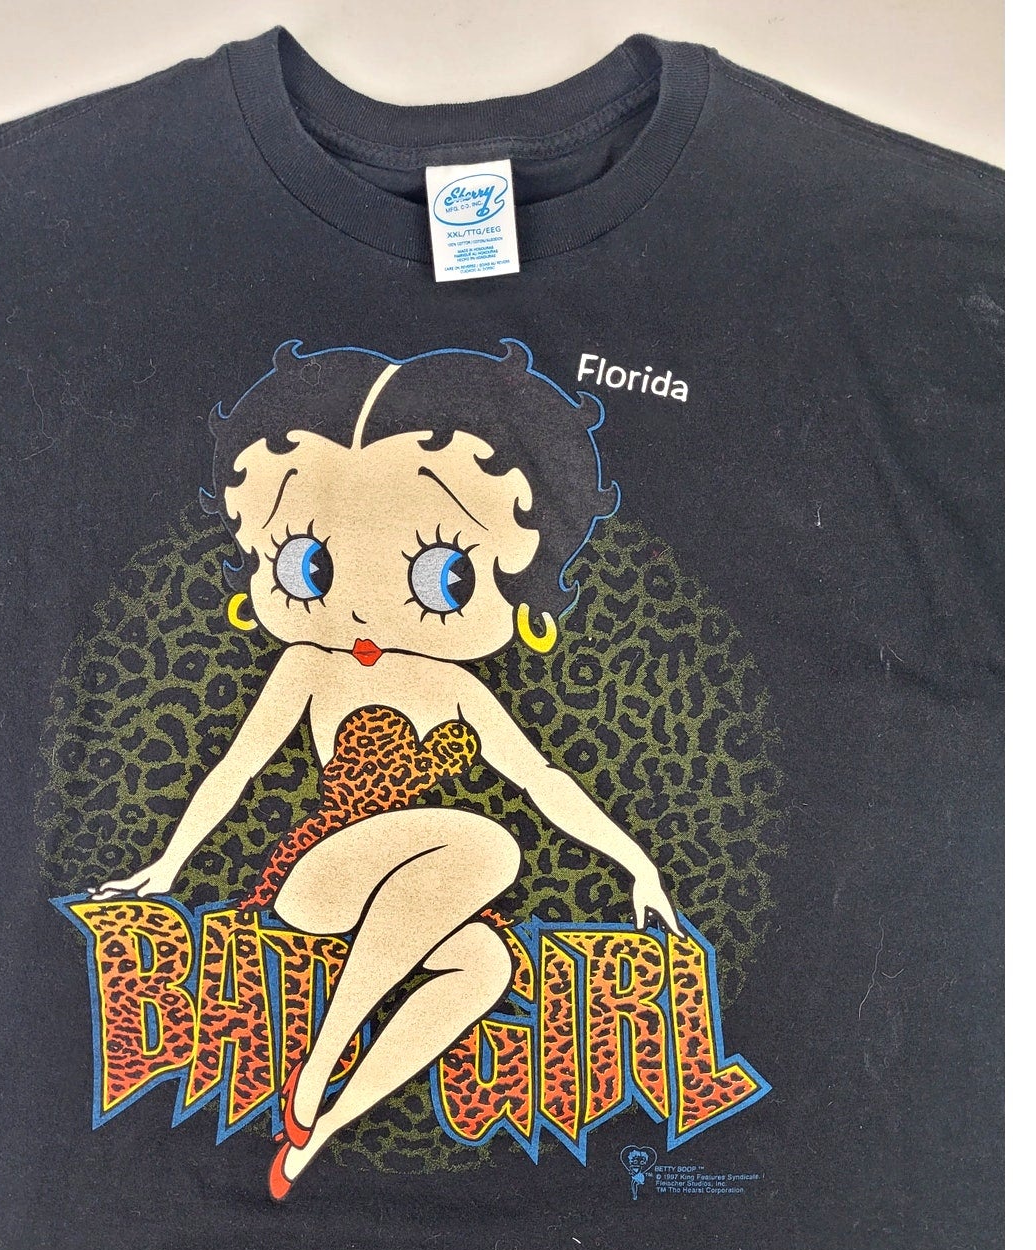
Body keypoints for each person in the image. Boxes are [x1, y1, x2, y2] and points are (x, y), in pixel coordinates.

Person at [93, 339, 682, 1199]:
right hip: (318, 877)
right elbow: (236, 769)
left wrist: (639, 865)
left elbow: (546, 783)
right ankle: (320, 1062)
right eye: (309, 561)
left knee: (485, 966)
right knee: (490, 846)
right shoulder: (309, 665)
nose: (365, 602)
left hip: (410, 894)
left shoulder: (460, 690)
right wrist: (166, 867)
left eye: (443, 571)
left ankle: (321, 1128)